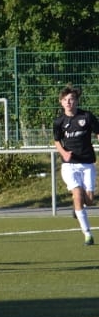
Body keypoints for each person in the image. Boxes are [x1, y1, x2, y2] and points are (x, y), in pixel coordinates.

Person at [53, 85, 96, 246]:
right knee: (77, 195)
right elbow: (57, 141)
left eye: (71, 99)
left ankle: (77, 206)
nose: (68, 102)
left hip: (87, 164)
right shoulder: (59, 122)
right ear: (61, 102)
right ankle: (87, 234)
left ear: (76, 101)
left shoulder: (87, 116)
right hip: (69, 165)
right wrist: (63, 153)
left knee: (89, 200)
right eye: (65, 100)